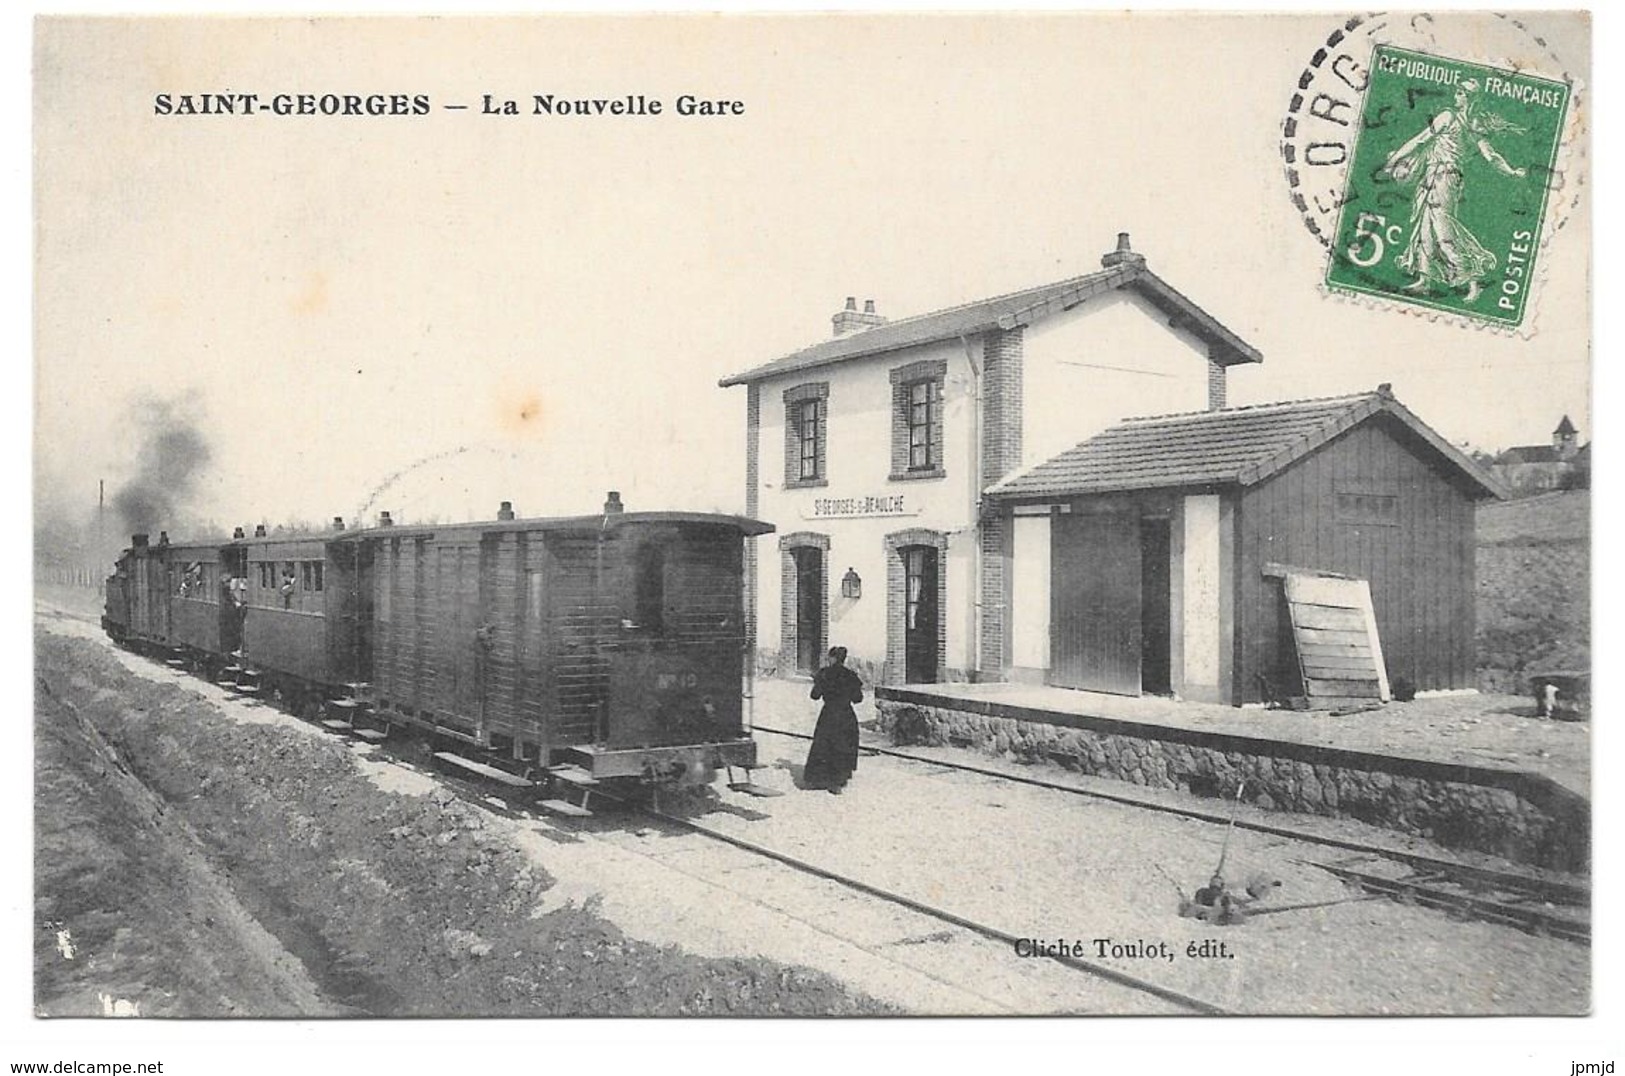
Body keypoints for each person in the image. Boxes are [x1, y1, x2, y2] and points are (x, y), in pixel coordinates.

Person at [1380, 78, 1527, 303]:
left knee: (1443, 229)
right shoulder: (1473, 125)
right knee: (1425, 227)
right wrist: (1511, 171)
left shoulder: (1450, 117)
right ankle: (1425, 279)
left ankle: (1472, 279)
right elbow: (1492, 156)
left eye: (1459, 93)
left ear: (1467, 97)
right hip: (1437, 176)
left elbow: (1420, 140)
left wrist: (1395, 159)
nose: (1455, 96)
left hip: (1444, 177)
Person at [803, 646, 864, 794]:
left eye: (829, 657)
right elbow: (858, 699)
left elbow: (815, 696)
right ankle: (838, 781)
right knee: (843, 746)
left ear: (833, 658)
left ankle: (819, 779)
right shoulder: (850, 676)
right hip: (846, 715)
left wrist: (817, 682)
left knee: (824, 745)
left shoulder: (824, 674)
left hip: (829, 714)